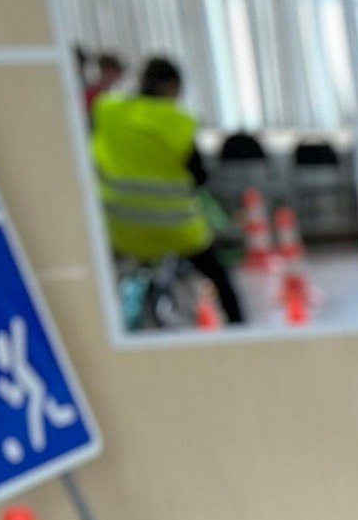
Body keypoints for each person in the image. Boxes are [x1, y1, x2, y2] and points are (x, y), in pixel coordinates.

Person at [89, 57, 245, 324]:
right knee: (218, 275)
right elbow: (198, 176)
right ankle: (239, 327)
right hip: (174, 228)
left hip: (118, 227)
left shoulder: (108, 110)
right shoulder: (177, 121)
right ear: (172, 85)